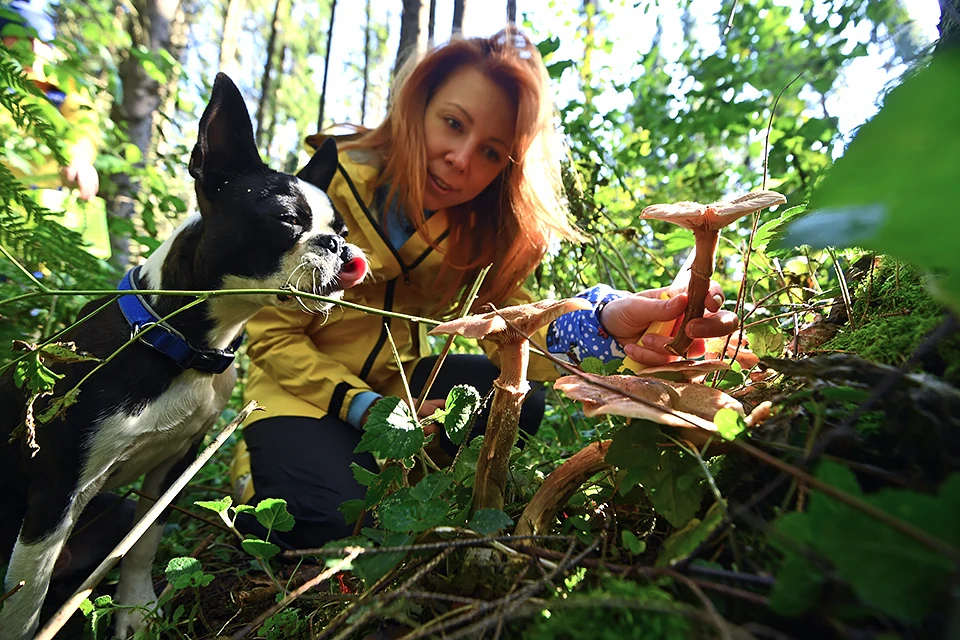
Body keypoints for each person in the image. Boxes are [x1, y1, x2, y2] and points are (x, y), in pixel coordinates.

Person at [230, 27, 738, 548]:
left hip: (399, 382)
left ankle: (394, 484)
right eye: (453, 124)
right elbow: (272, 338)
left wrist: (610, 319)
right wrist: (369, 411)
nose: (462, 159)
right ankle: (260, 477)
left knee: (525, 404)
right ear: (417, 107)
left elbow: (517, 324)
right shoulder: (325, 189)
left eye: (492, 153)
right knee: (327, 526)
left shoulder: (472, 229)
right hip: (299, 394)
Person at [1, 0, 109, 259]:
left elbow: (85, 126)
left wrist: (78, 160)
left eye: (43, 41)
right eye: (24, 38)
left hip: (54, 207)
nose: (36, 49)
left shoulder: (65, 86)